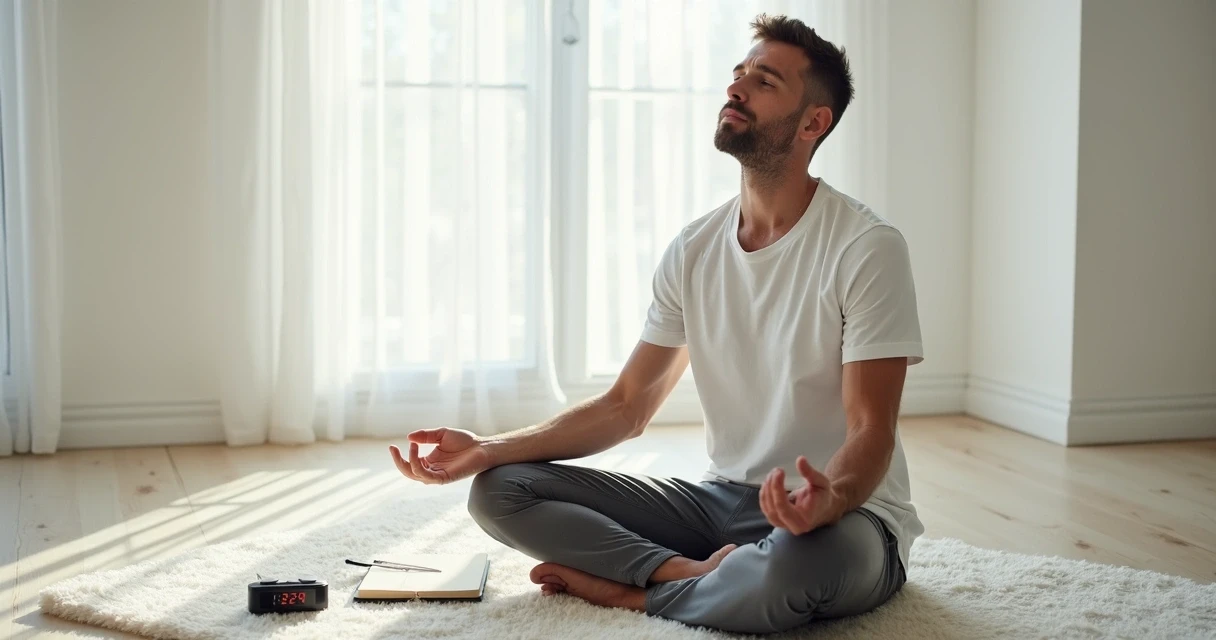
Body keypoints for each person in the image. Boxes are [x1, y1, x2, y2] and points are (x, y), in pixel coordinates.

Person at [389, 13, 923, 635]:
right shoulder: (694, 248)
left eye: (764, 81)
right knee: (500, 490)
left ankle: (633, 596)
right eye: (738, 74)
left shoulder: (866, 246)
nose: (736, 89)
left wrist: (828, 496)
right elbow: (626, 406)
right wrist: (488, 448)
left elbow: (871, 428)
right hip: (720, 500)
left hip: (849, 518)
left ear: (813, 122)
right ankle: (681, 573)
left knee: (788, 575)